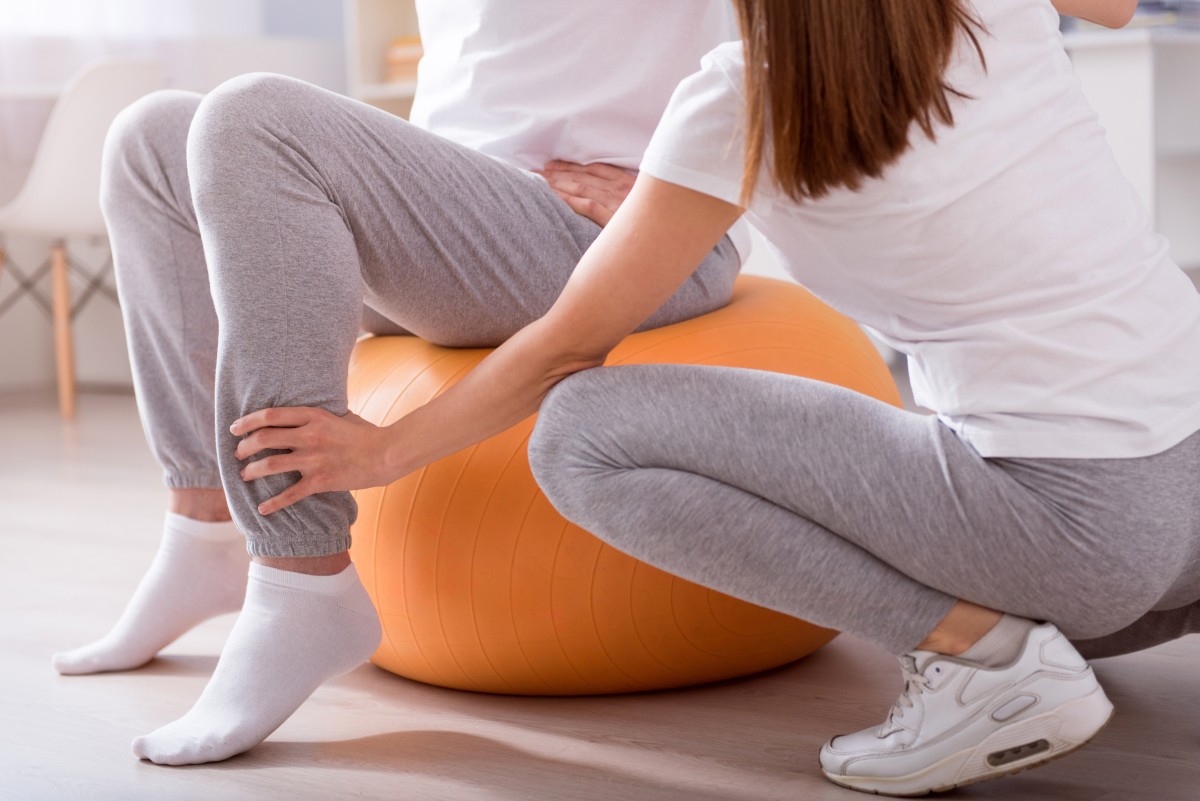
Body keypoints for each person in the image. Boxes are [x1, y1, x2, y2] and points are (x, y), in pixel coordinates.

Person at [228, 0, 1200, 794]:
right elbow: (1112, 6)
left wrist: (383, 453)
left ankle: (981, 663)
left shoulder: (744, 101)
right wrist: (668, 194)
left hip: (1076, 533)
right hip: (1183, 484)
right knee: (1086, 584)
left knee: (582, 436)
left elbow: (565, 346)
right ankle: (1060, 629)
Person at [52, 0, 748, 766]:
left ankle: (303, 580)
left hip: (610, 234)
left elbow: (825, 51)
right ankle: (202, 531)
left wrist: (696, 193)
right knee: (148, 136)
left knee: (255, 115)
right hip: (456, 227)